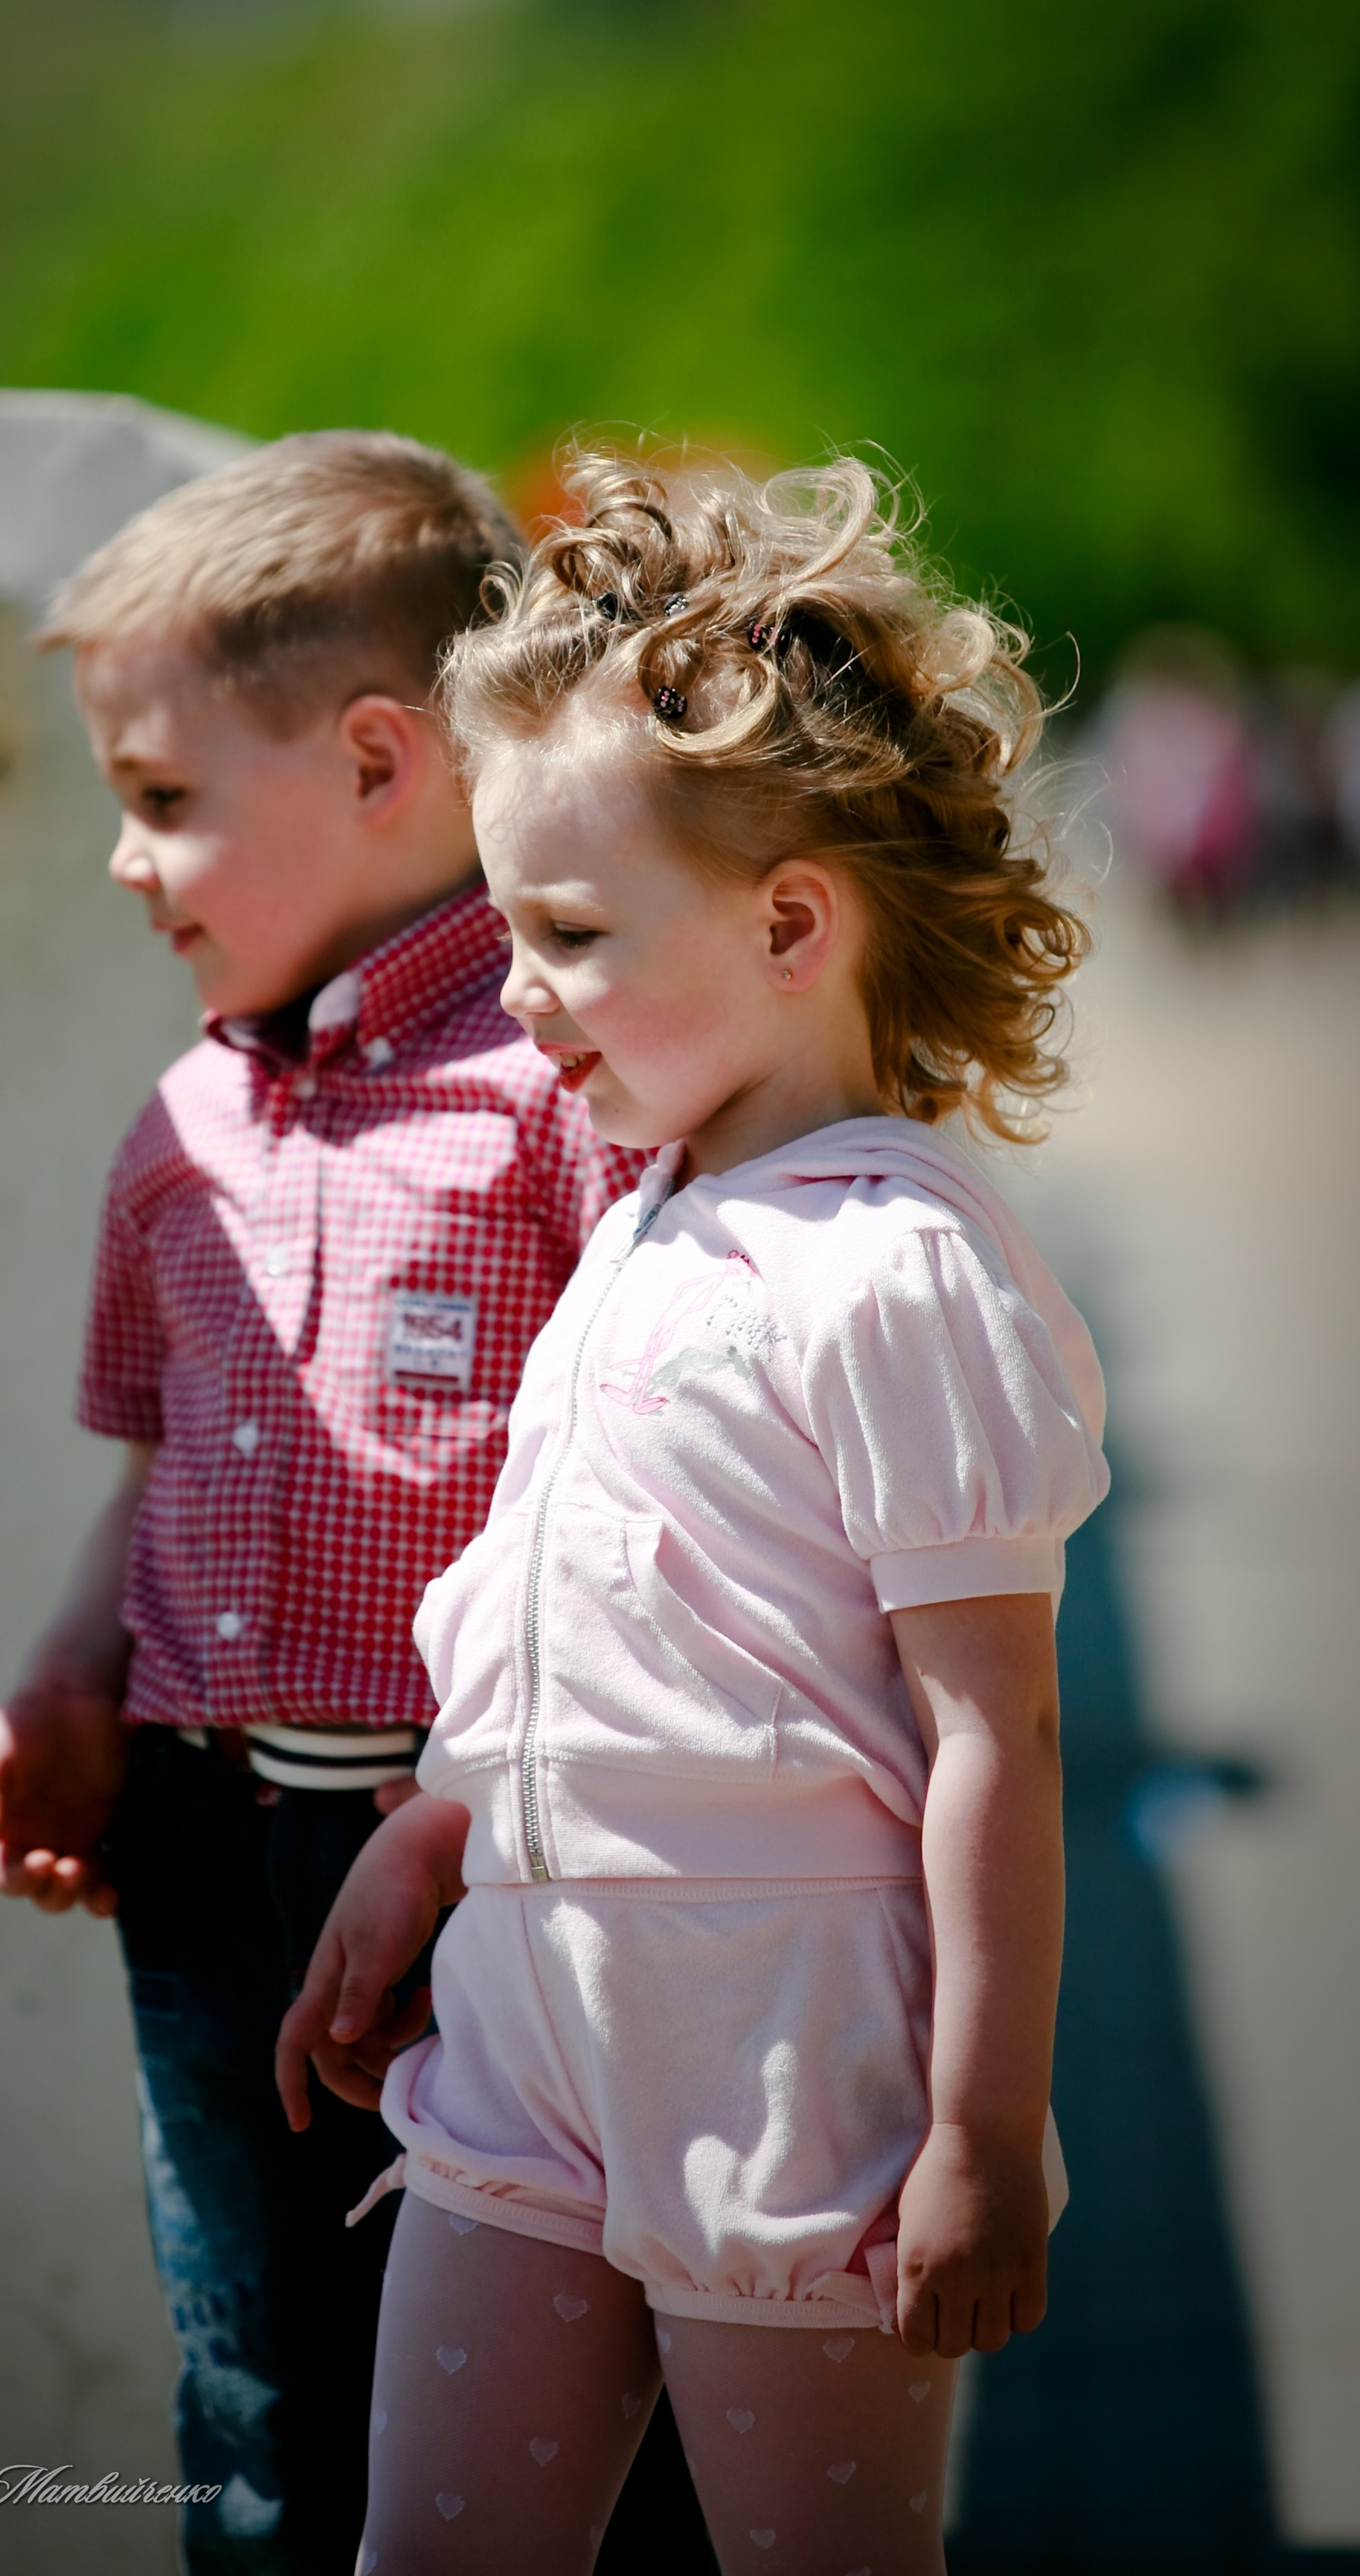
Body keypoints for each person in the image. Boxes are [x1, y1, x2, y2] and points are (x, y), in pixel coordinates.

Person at [276, 449, 1109, 2574]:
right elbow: (599, 1611)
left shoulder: (896, 1270)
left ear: (792, 923)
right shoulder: (648, 1215)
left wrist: (982, 2131)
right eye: (505, 928)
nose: (519, 990)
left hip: (785, 2054)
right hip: (526, 2027)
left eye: (568, 933)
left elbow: (995, 1732)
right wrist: (442, 1831)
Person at [0, 433, 702, 2573]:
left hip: (484, 1862)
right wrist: (68, 1671)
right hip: (202, 1849)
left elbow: (655, 1500)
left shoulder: (564, 1093)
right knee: (258, 2387)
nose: (126, 860)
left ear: (382, 761)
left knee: (564, 2397)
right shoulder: (183, 1125)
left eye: (163, 796)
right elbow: (162, 1457)